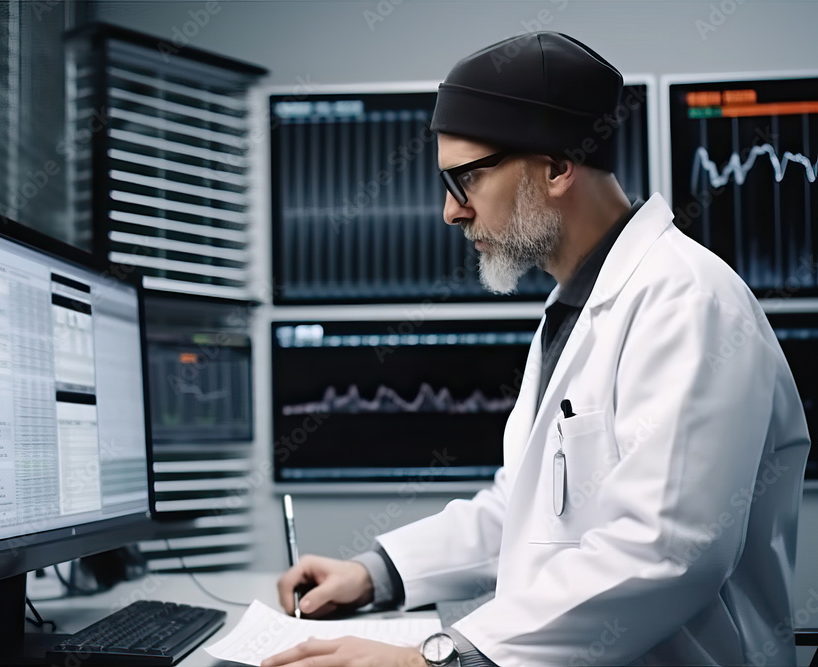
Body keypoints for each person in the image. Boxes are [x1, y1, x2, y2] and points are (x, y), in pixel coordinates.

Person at [262, 32, 811, 667]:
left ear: (554, 167)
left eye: (464, 179)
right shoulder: (573, 306)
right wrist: (377, 571)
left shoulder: (687, 303)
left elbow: (663, 553)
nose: (450, 212)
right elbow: (530, 517)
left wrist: (441, 657)